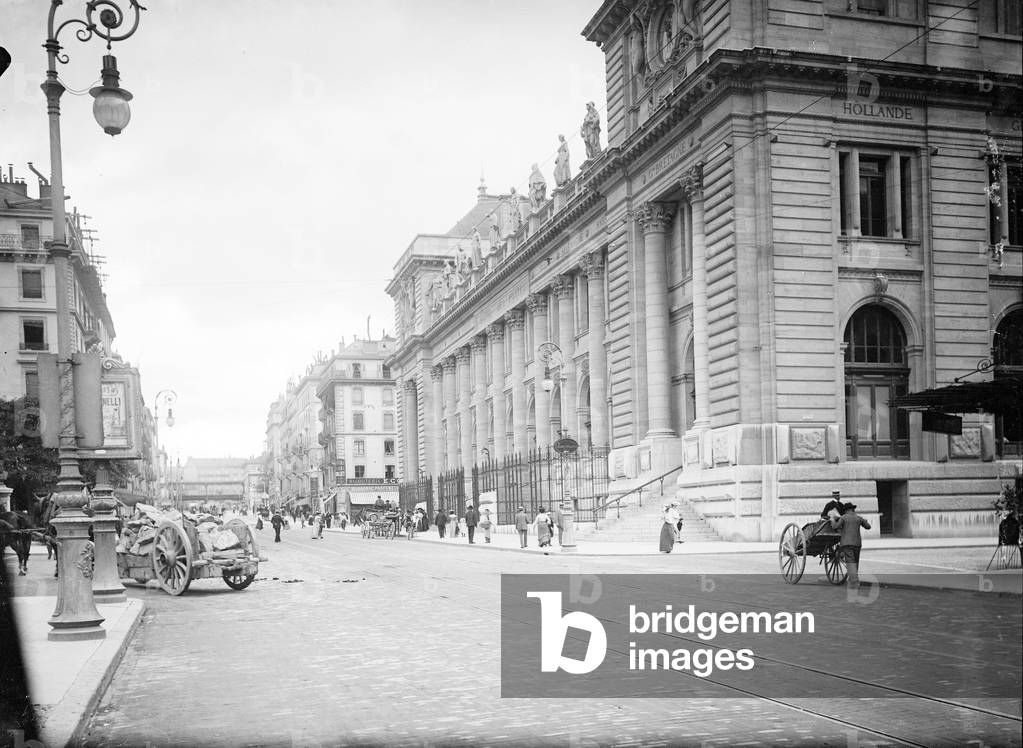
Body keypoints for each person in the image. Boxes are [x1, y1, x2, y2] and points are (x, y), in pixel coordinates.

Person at [830, 502, 871, 589]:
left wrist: (832, 520)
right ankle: (853, 581)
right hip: (857, 544)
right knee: (855, 563)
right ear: (853, 509)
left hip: (846, 543)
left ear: (846, 510)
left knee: (850, 563)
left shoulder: (844, 517)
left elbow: (835, 527)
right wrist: (865, 521)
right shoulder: (858, 518)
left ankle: (854, 583)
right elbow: (868, 526)